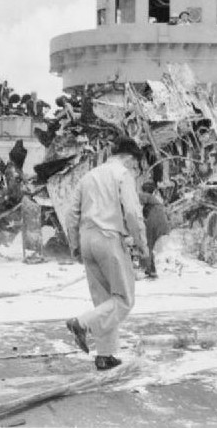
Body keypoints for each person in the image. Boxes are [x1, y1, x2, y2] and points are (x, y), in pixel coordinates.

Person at [65, 137, 148, 370]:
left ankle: (105, 355)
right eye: (135, 165)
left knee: (103, 300)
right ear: (130, 158)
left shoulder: (88, 176)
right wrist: (142, 243)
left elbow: (70, 214)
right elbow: (132, 212)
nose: (134, 170)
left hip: (86, 238)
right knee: (123, 299)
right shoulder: (122, 174)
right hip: (110, 237)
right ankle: (82, 323)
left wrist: (74, 244)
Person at [140, 180, 169, 278]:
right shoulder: (156, 199)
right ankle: (150, 268)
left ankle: (149, 269)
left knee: (148, 244)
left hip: (153, 220)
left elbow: (136, 201)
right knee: (149, 245)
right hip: (160, 220)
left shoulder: (146, 196)